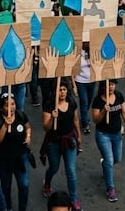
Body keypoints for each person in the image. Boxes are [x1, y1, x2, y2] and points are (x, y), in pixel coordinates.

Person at [41, 80, 81, 211]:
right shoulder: (49, 106)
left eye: (64, 89)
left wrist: (79, 135)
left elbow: (75, 119)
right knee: (54, 167)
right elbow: (46, 127)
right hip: (53, 142)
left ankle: (73, 200)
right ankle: (47, 183)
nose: (62, 92)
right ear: (55, 91)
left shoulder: (72, 103)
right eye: (60, 89)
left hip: (69, 140)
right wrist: (52, 117)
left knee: (71, 171)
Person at [0, 92, 31, 211]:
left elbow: (27, 127)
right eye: (7, 105)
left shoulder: (21, 115)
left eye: (13, 104)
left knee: (24, 185)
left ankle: (23, 208)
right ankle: (8, 207)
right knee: (5, 187)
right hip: (4, 161)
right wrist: (5, 126)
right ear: (1, 107)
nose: (11, 108)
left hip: (21, 158)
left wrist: (28, 136)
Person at [92, 79, 125, 202]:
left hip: (116, 134)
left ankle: (105, 165)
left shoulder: (119, 96)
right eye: (108, 85)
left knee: (117, 158)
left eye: (112, 85)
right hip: (103, 134)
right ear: (103, 86)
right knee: (109, 161)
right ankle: (110, 188)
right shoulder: (98, 100)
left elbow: (124, 113)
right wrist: (104, 111)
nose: (111, 87)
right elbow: (95, 120)